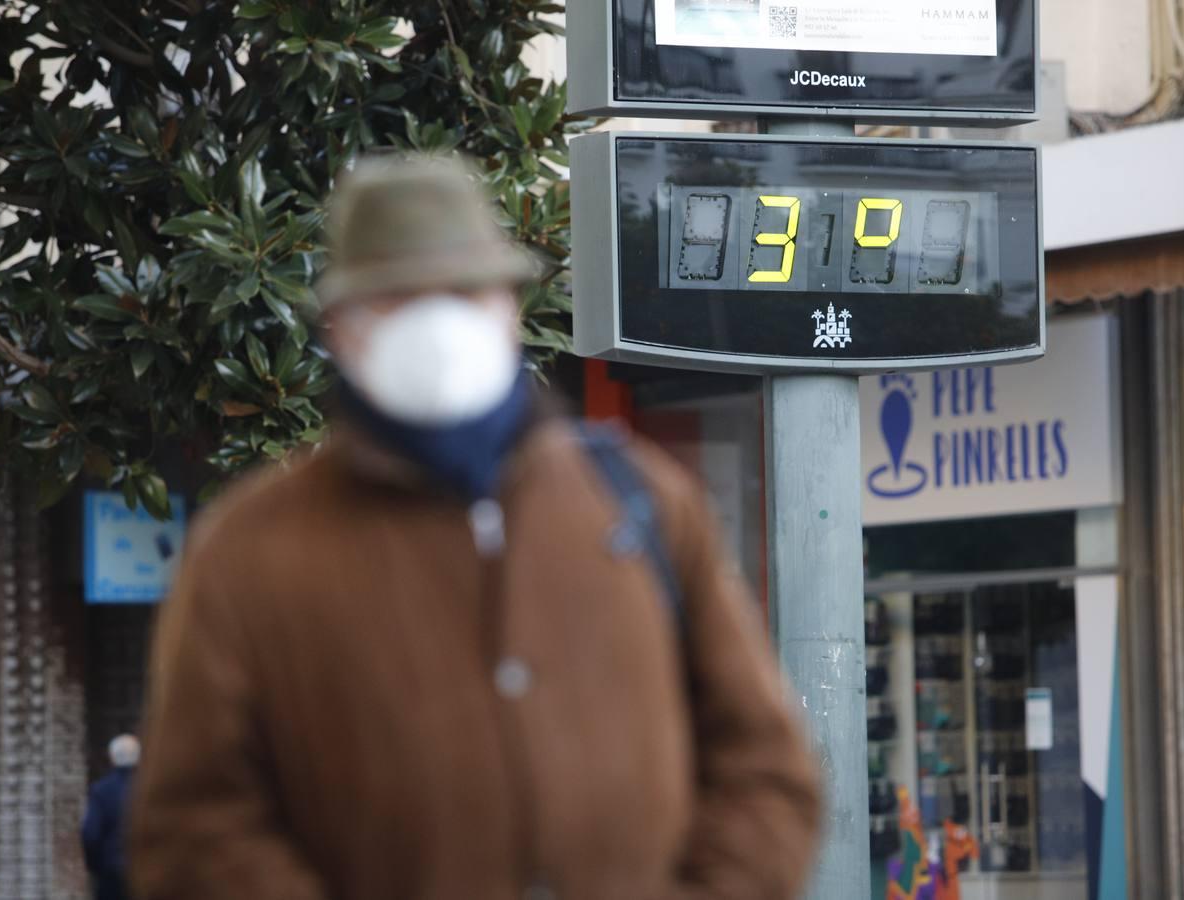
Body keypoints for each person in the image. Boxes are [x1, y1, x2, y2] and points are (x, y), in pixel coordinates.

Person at [128, 154, 821, 899]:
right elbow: (194, 827)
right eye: (397, 298)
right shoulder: (252, 550)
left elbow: (765, 769)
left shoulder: (640, 501)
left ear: (510, 307)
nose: (437, 322)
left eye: (464, 290)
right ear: (344, 325)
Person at [83, 734, 139, 900]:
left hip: (111, 873)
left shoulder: (101, 790)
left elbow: (90, 835)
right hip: (143, 871)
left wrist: (95, 865)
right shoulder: (150, 790)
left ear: (112, 758)